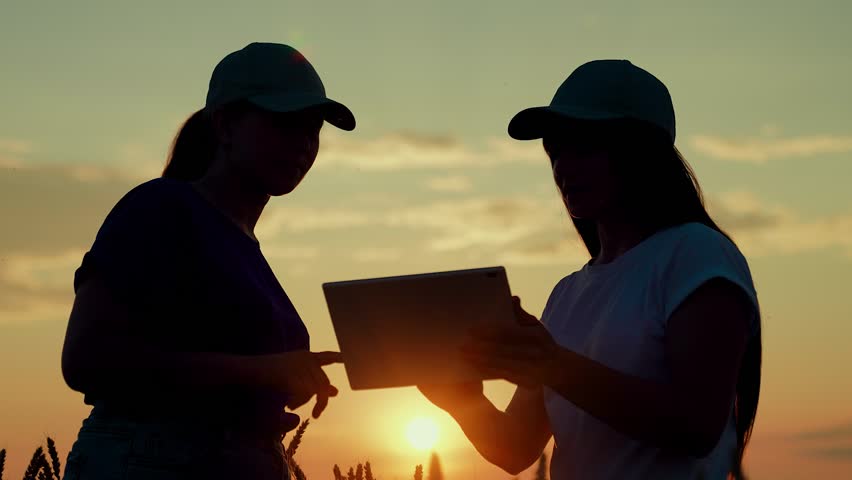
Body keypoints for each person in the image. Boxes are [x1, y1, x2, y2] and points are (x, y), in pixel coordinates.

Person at [418, 60, 762, 480]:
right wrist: (459, 399)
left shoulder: (697, 255)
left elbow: (695, 425)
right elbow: (515, 447)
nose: (563, 165)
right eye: (556, 148)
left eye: (585, 146)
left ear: (642, 150)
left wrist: (552, 364)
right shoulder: (567, 293)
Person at [60, 42, 355, 480]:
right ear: (225, 125)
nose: (302, 145)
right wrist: (262, 372)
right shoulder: (161, 208)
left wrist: (284, 383)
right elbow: (88, 358)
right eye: (283, 125)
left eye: (311, 129)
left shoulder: (241, 242)